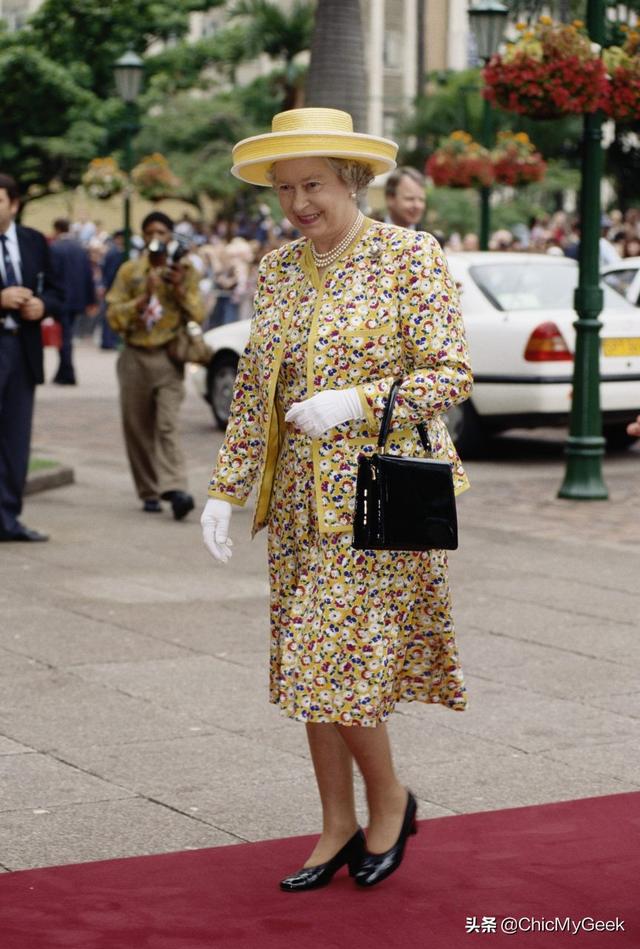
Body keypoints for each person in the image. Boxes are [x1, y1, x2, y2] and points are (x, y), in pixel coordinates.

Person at [200, 108, 473, 891]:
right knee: (306, 667)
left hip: (376, 498)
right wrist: (225, 490)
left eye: (312, 184)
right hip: (295, 504)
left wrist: (356, 400)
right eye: (285, 188)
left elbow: (449, 373)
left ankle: (389, 798)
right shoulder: (280, 268)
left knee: (330, 659)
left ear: (352, 178)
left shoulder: (408, 255)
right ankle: (336, 821)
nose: (298, 204)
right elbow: (255, 391)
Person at [106, 211, 203, 519]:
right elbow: (113, 317)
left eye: (162, 232)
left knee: (167, 425)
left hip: (167, 357)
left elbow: (198, 314)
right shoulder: (130, 271)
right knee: (137, 427)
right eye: (149, 232)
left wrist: (177, 289)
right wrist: (142, 297)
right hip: (134, 355)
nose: (155, 238)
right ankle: (148, 491)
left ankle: (176, 489)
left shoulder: (184, 270)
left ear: (171, 236)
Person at [0, 173, 62, 542]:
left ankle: (8, 519)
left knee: (16, 439)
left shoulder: (33, 241)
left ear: (14, 204)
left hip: (22, 351)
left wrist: (42, 306)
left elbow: (57, 290)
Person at [50, 218, 97, 384]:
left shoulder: (55, 248)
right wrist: (91, 299)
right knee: (67, 335)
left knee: (65, 337)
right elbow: (88, 275)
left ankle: (67, 371)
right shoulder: (79, 248)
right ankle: (63, 370)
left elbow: (52, 276)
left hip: (61, 299)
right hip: (77, 299)